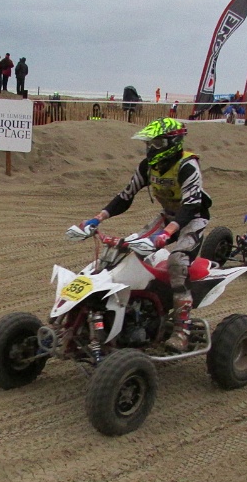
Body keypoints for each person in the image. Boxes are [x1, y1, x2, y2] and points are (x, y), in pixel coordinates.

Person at [72, 118, 213, 352]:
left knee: (177, 263)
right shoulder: (148, 166)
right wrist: (98, 218)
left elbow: (190, 206)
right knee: (129, 249)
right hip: (167, 215)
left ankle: (182, 330)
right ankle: (130, 309)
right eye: (149, 143)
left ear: (173, 142)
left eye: (156, 143)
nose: (150, 149)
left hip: (192, 219)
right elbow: (125, 196)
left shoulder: (188, 166)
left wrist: (168, 232)